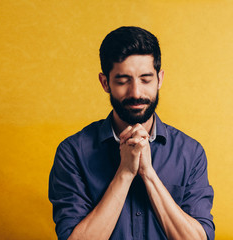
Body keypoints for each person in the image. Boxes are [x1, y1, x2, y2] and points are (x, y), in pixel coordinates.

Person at [49, 26, 215, 240]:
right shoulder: (73, 152)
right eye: (122, 80)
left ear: (160, 79)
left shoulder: (190, 152)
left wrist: (148, 174)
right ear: (105, 82)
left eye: (146, 79)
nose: (136, 92)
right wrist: (125, 172)